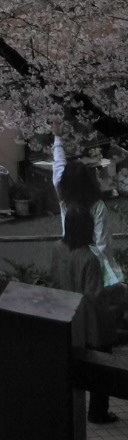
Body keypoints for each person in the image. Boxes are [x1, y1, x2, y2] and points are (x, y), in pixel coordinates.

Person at [50, 203, 118, 424]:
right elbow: (96, 296)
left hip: (65, 315)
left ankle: (64, 405)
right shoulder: (89, 258)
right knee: (101, 365)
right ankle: (98, 411)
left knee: (68, 363)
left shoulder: (58, 249)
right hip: (90, 322)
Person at [52, 127, 124, 288]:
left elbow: (58, 166)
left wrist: (57, 138)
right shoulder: (96, 205)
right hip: (90, 257)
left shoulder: (64, 197)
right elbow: (101, 242)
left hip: (68, 249)